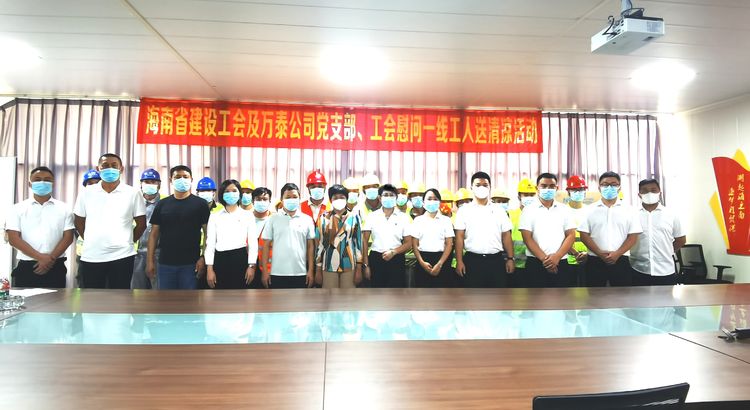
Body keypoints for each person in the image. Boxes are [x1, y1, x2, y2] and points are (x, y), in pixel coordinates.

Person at [74, 153, 146, 289]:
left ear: (121, 169)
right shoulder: (86, 193)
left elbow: (141, 224)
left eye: (114, 165)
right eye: (105, 165)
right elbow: (78, 222)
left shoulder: (132, 193)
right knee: (92, 297)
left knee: (120, 297)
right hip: (92, 255)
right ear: (98, 169)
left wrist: (128, 241)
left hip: (123, 255)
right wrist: (92, 240)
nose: (110, 168)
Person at [5, 166, 74, 288]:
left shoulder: (65, 208)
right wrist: (40, 257)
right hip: (27, 266)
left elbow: (68, 237)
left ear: (53, 183)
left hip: (55, 265)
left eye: (47, 179)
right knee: (26, 300)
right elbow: (13, 239)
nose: (42, 182)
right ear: (30, 183)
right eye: (37, 179)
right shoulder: (17, 209)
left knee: (57, 300)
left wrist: (50, 259)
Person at [146, 165, 210, 290]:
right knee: (166, 299)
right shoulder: (162, 204)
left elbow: (208, 233)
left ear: (191, 179)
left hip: (191, 264)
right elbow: (153, 235)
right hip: (165, 263)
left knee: (190, 300)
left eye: (185, 177)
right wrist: (150, 261)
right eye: (177, 177)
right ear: (171, 180)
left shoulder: (201, 204)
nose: (182, 180)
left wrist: (203, 258)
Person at [579, 171, 643, 287]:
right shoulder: (588, 210)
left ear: (619, 188)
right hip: (594, 259)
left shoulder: (630, 210)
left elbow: (633, 237)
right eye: (605, 184)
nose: (609, 187)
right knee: (595, 294)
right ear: (599, 188)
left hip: (621, 259)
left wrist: (617, 254)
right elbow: (584, 235)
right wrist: (599, 253)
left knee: (622, 294)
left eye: (614, 184)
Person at [454, 172, 515, 288]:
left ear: (490, 187)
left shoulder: (499, 210)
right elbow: (459, 237)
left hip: (496, 261)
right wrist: (459, 261)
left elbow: (506, 236)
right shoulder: (464, 211)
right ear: (471, 187)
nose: (481, 188)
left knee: (498, 295)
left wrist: (510, 258)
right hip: (472, 261)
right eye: (478, 185)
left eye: (485, 185)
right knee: (472, 296)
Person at [519, 173, 577, 288]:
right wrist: (546, 260)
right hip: (535, 262)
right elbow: (527, 238)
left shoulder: (565, 209)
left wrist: (557, 257)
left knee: (562, 297)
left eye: (551, 186)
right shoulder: (528, 210)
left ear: (557, 188)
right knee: (535, 298)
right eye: (544, 186)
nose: (548, 189)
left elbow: (571, 235)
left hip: (561, 261)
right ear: (537, 188)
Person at [630, 178, 686, 286]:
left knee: (665, 297)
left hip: (666, 271)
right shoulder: (632, 215)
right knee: (638, 297)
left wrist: (666, 251)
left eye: (653, 190)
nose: (649, 193)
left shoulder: (671, 214)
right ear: (639, 194)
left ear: (660, 192)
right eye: (645, 191)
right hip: (638, 269)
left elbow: (681, 240)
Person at [261, 183, 316, 289]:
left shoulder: (307, 219)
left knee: (300, 300)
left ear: (299, 199)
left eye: (295, 197)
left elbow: (310, 247)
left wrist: (310, 270)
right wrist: (265, 271)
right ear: (281, 199)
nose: (292, 200)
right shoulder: (272, 219)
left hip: (301, 273)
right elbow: (266, 246)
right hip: (276, 273)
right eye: (288, 197)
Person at [205, 180, 258, 289]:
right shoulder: (214, 216)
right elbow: (210, 244)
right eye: (227, 191)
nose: (231, 193)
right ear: (222, 194)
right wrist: (209, 269)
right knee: (221, 295)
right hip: (220, 260)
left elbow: (253, 243)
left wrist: (251, 266)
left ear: (239, 194)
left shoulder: (248, 216)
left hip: (240, 258)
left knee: (241, 295)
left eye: (234, 191)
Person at [362, 183, 412, 288]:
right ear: (380, 198)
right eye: (385, 195)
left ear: (396, 198)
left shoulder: (403, 217)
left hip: (396, 259)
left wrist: (394, 252)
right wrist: (366, 265)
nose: (388, 197)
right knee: (377, 293)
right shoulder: (372, 216)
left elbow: (409, 243)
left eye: (391, 195)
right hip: (376, 259)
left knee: (396, 294)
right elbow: (364, 241)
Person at [315, 184, 363, 288]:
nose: (339, 200)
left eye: (342, 197)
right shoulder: (323, 218)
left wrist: (359, 268)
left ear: (346, 199)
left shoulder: (354, 217)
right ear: (330, 200)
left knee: (348, 296)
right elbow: (319, 244)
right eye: (335, 197)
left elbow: (358, 244)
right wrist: (318, 269)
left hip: (349, 264)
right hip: (328, 264)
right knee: (329, 296)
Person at [410, 188, 456, 288]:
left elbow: (449, 244)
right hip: (423, 260)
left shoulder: (446, 220)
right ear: (423, 202)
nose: (432, 201)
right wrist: (422, 263)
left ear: (439, 202)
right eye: (429, 199)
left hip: (442, 260)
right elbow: (414, 244)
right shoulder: (418, 220)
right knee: (422, 294)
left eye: (435, 199)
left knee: (442, 295)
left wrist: (440, 264)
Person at [132, 168, 162, 290]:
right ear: (141, 184)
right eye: (146, 182)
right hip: (135, 254)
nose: (150, 184)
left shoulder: (164, 204)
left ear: (159, 185)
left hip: (158, 254)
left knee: (158, 292)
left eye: (153, 182)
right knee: (136, 292)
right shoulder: (134, 202)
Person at [74, 169, 100, 286]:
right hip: (85, 253)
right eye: (90, 183)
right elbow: (77, 227)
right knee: (85, 285)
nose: (93, 185)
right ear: (85, 186)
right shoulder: (81, 202)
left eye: (97, 182)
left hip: (107, 254)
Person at [509, 178, 537, 286]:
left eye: (532, 195)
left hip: (535, 263)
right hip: (515, 265)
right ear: (519, 196)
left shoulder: (540, 215)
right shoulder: (510, 214)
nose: (529, 197)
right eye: (526, 194)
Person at [565, 175, 589, 286]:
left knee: (588, 292)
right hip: (567, 260)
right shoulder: (562, 211)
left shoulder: (590, 211)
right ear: (568, 192)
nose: (578, 192)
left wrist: (587, 254)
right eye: (575, 190)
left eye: (581, 189)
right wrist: (574, 252)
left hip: (587, 259)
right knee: (568, 292)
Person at [251, 186, 273, 288]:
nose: (262, 202)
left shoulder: (275, 220)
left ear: (270, 201)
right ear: (253, 201)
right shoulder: (245, 219)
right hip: (248, 267)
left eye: (265, 199)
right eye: (258, 199)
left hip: (270, 268)